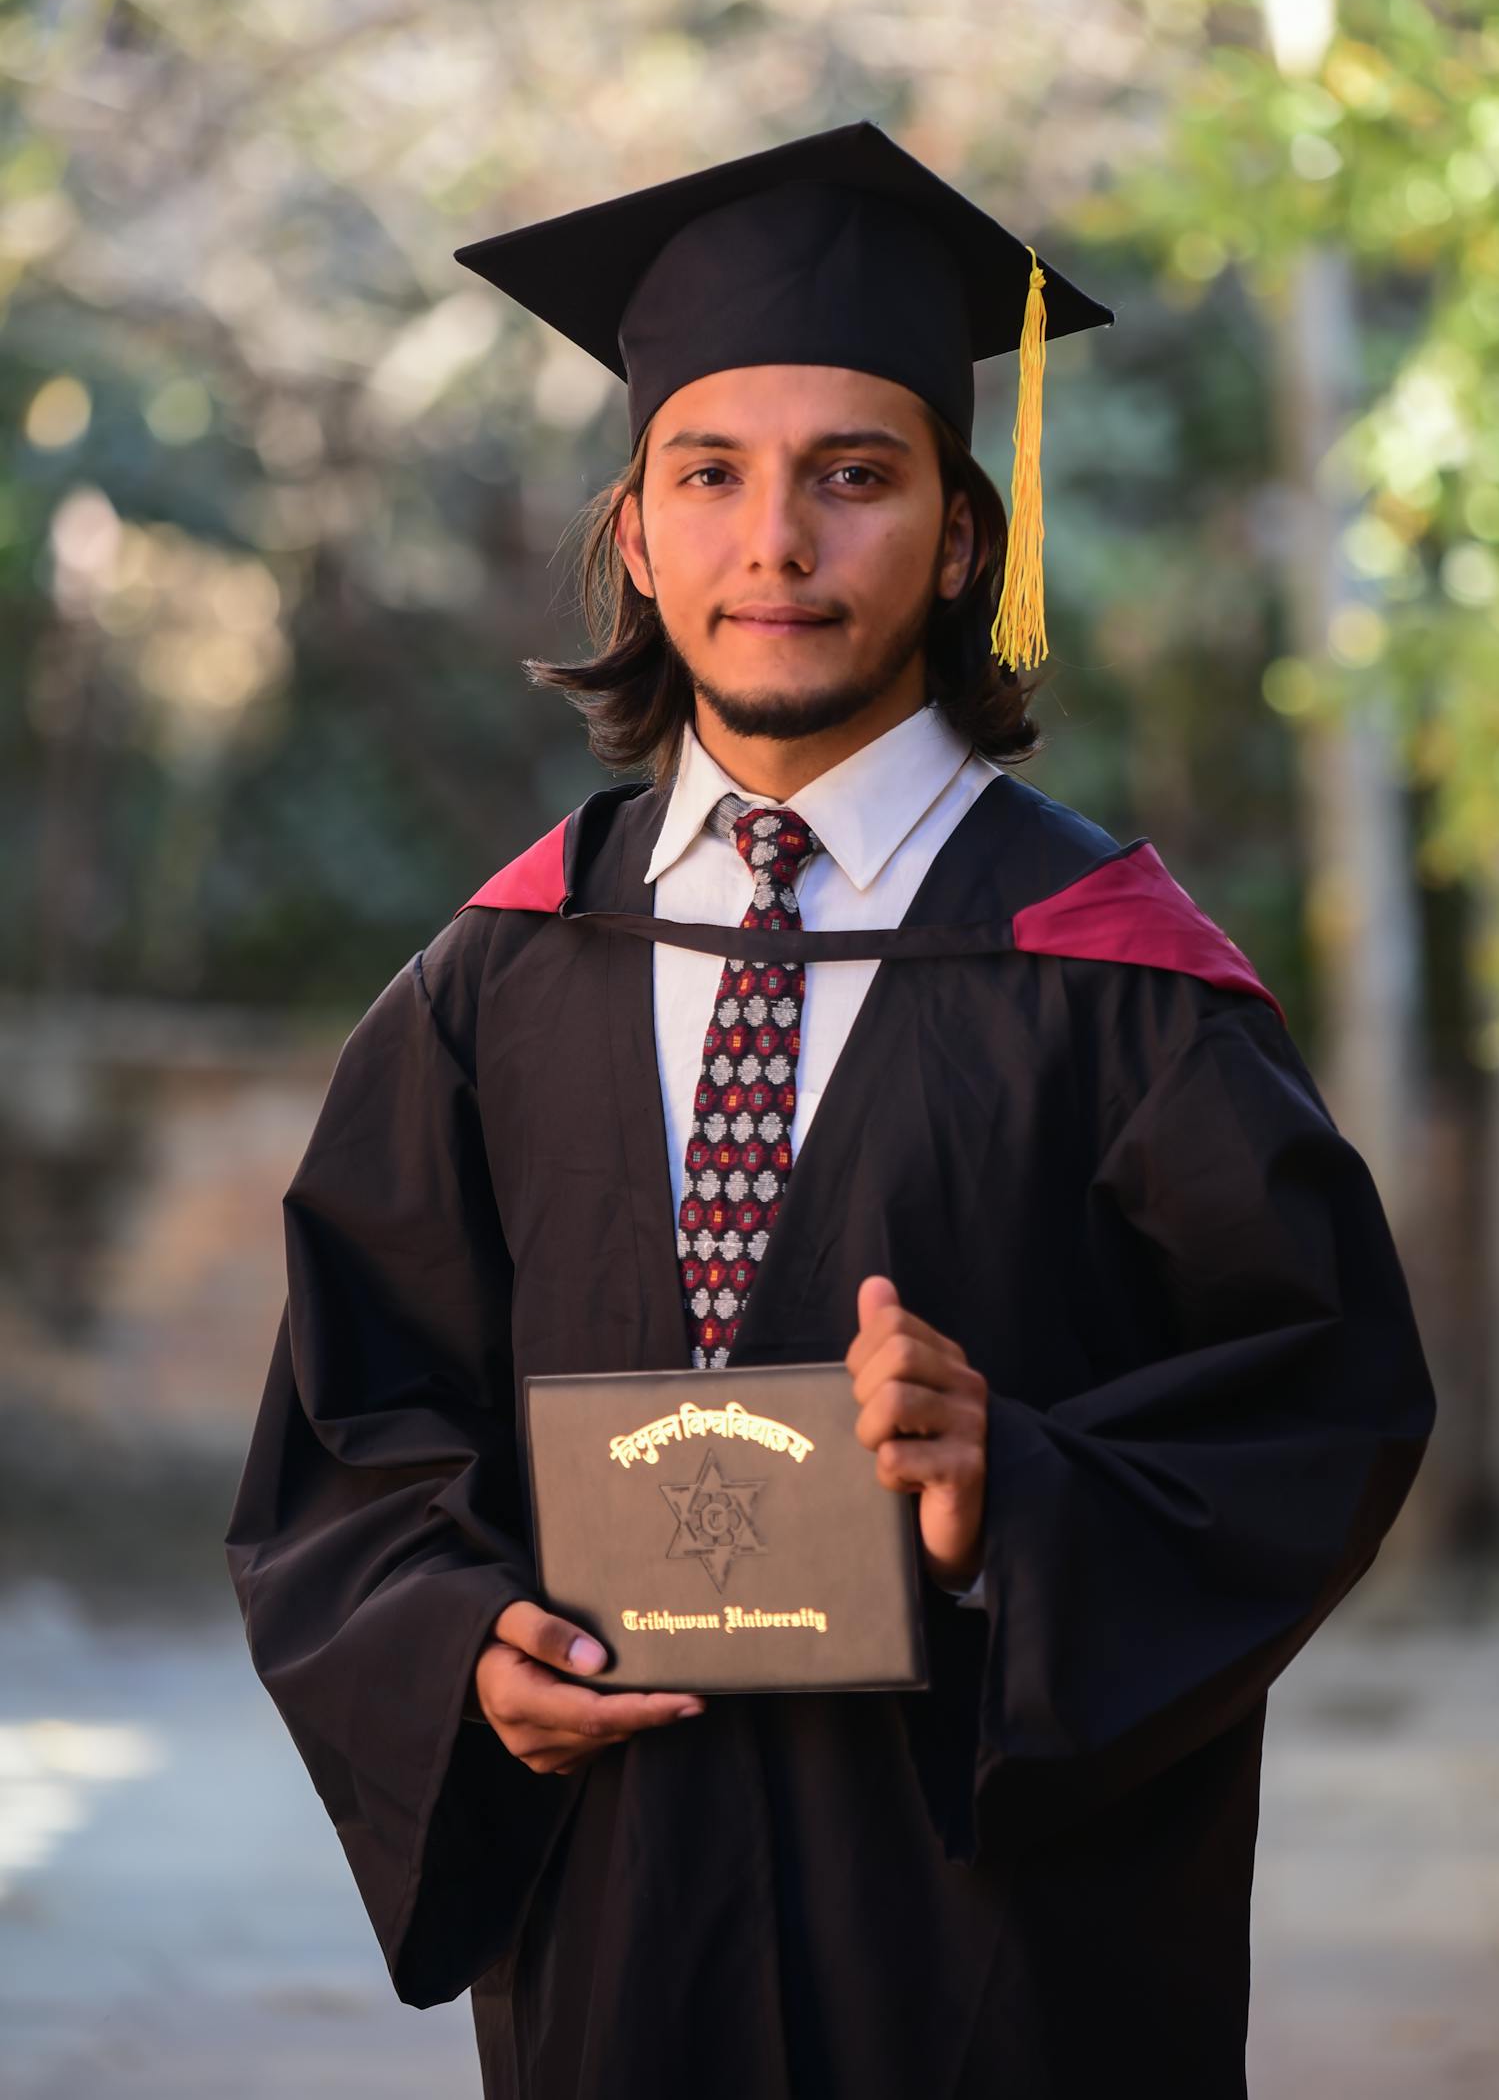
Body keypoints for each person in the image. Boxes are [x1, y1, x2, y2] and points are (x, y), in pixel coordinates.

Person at [223, 121, 1437, 2100]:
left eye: (850, 476)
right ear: (634, 528)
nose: (772, 541)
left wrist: (1009, 1494)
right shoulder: (501, 974)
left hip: (993, 1937)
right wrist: (456, 1649)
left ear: (961, 535)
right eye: (710, 473)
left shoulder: (1112, 974)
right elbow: (352, 1425)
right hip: (621, 1910)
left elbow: (1316, 1401)